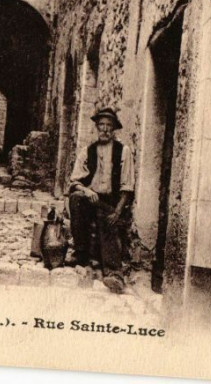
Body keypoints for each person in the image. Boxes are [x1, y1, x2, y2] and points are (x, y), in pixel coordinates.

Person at [67, 107, 134, 293]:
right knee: (76, 198)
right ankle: (81, 255)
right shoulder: (87, 151)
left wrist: (118, 211)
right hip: (90, 198)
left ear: (114, 130)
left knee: (108, 224)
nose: (104, 129)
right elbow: (74, 181)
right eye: (101, 125)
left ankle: (114, 276)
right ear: (96, 127)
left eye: (109, 126)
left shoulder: (124, 151)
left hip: (110, 203)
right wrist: (86, 190)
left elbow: (127, 187)